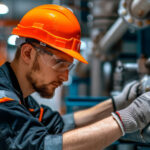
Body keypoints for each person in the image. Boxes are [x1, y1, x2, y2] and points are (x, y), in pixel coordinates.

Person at [0, 4, 150, 150]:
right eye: (59, 63)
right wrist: (131, 117)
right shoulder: (3, 100)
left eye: (68, 66)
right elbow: (41, 146)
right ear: (28, 53)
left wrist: (117, 103)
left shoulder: (22, 99)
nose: (65, 77)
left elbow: (59, 124)